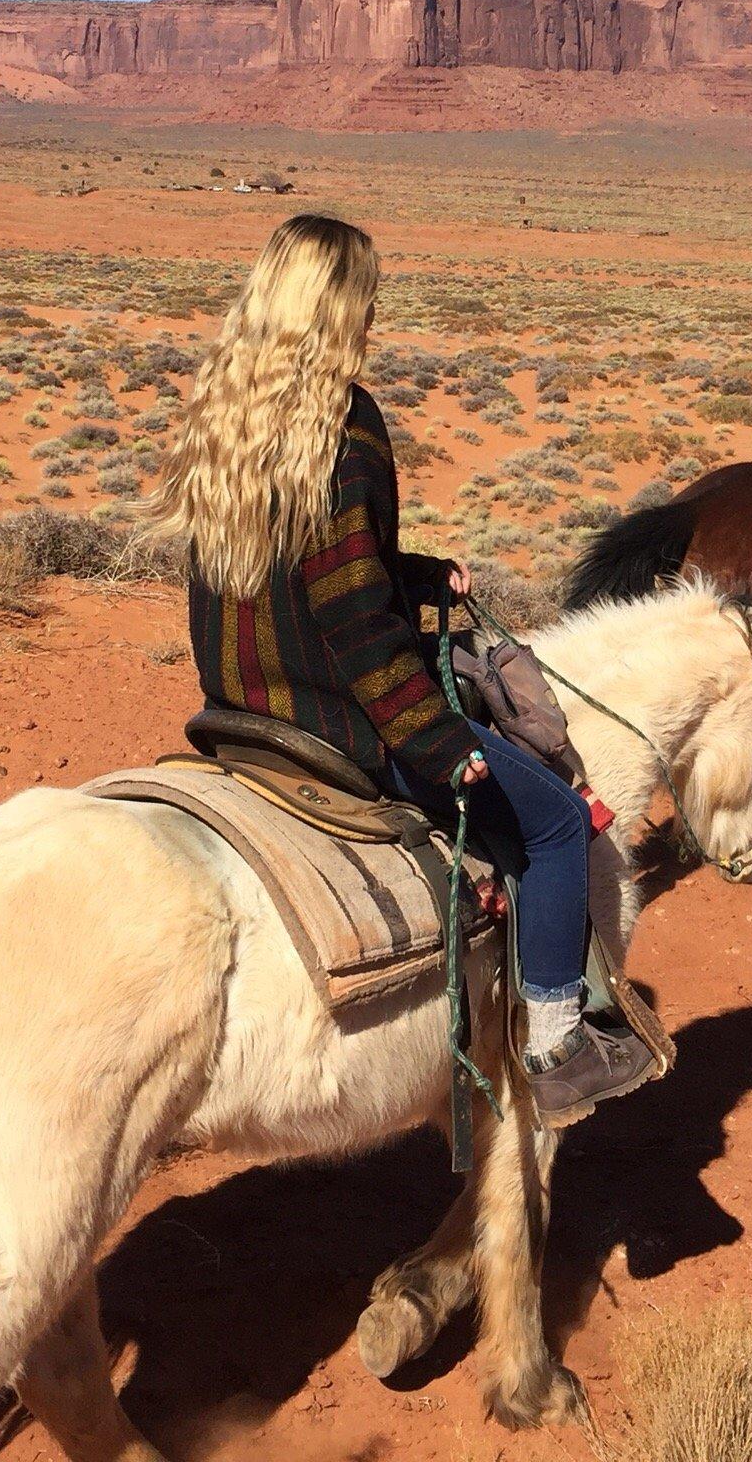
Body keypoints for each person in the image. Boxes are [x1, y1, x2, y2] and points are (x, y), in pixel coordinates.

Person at [146, 212, 657, 1122]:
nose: (375, 316)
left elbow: (302, 569)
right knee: (552, 824)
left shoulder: (228, 410)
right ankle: (557, 1045)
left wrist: (416, 574)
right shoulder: (344, 425)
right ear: (337, 308)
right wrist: (437, 742)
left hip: (242, 708)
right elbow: (352, 618)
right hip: (335, 721)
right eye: (367, 299)